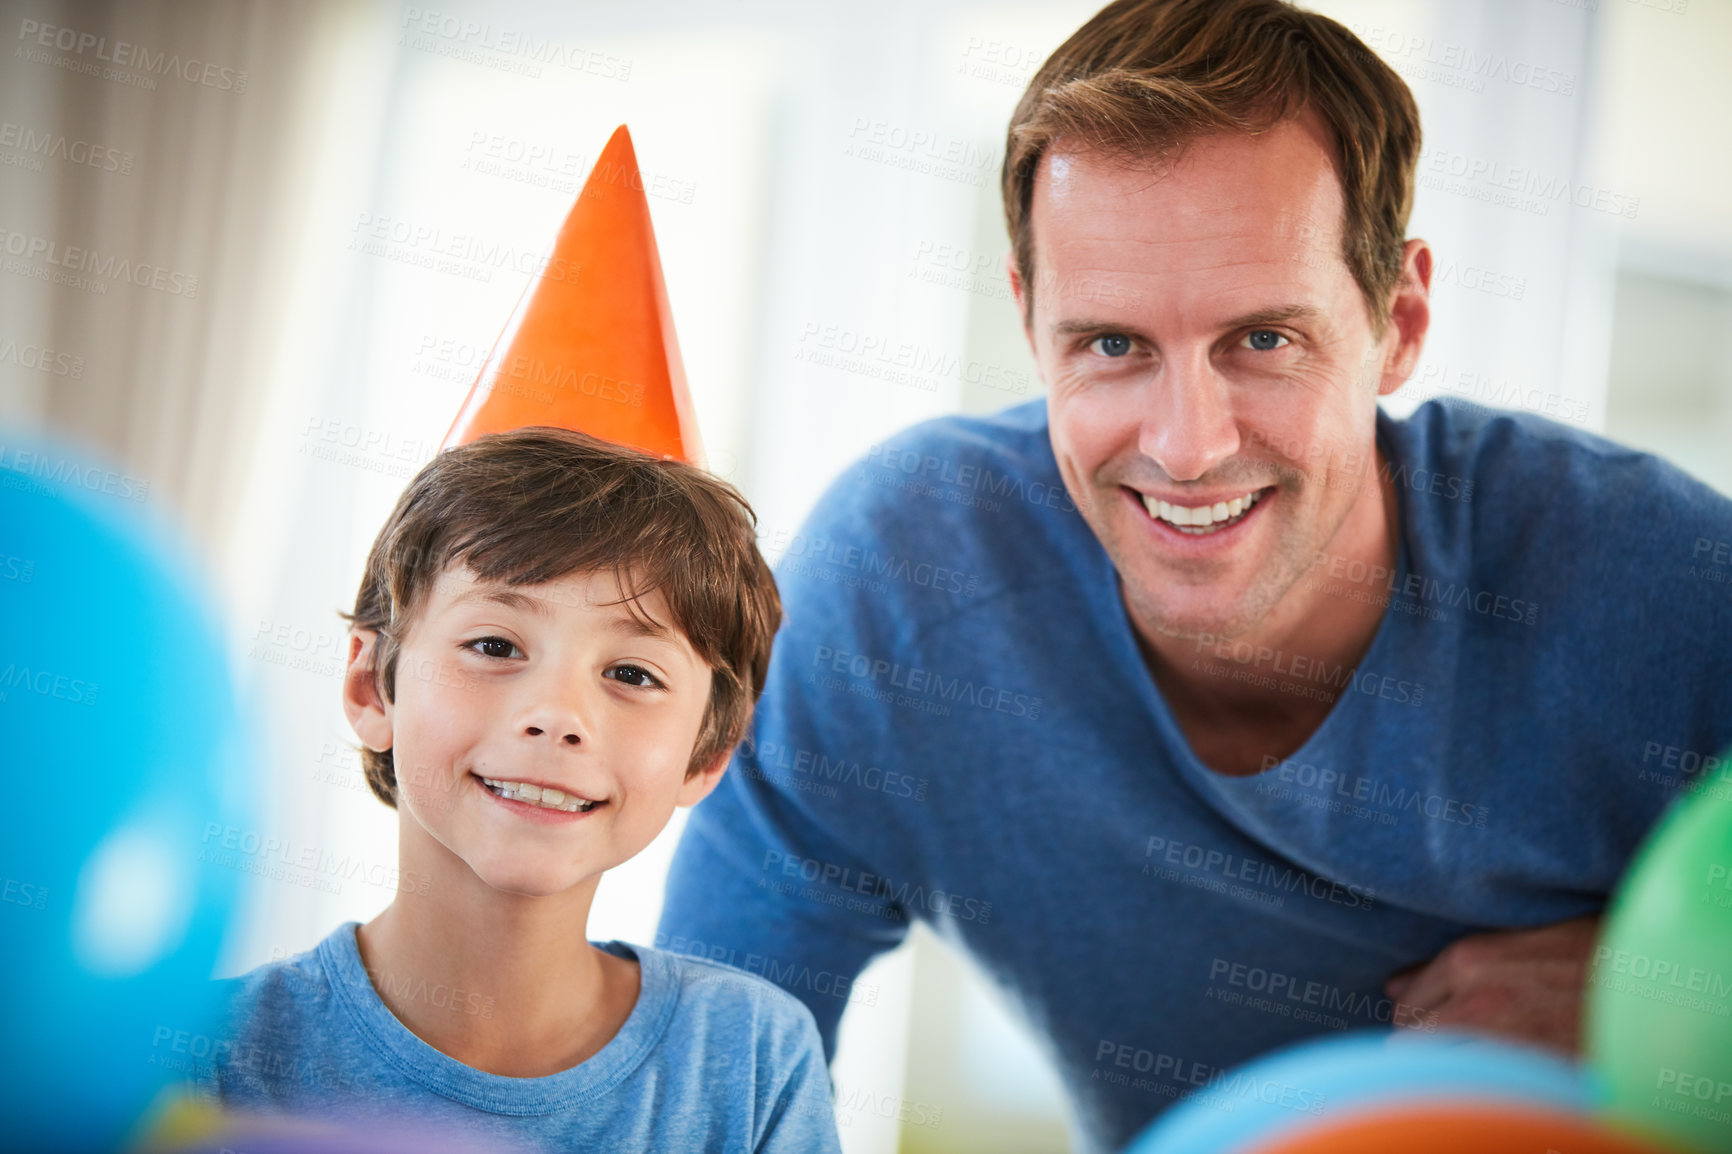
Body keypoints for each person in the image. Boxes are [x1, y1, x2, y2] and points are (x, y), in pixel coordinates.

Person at [657, 1, 1732, 1151]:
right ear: (1032, 324)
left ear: (1399, 319)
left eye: (1261, 340)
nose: (1185, 443)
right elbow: (689, 1091)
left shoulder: (1654, 585)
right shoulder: (904, 589)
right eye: (1112, 344)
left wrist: (1669, 1007)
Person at [202, 426, 839, 1152]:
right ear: (370, 686)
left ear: (708, 753)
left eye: (633, 674)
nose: (558, 717)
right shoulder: (203, 1057)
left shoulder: (754, 1058)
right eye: (495, 646)